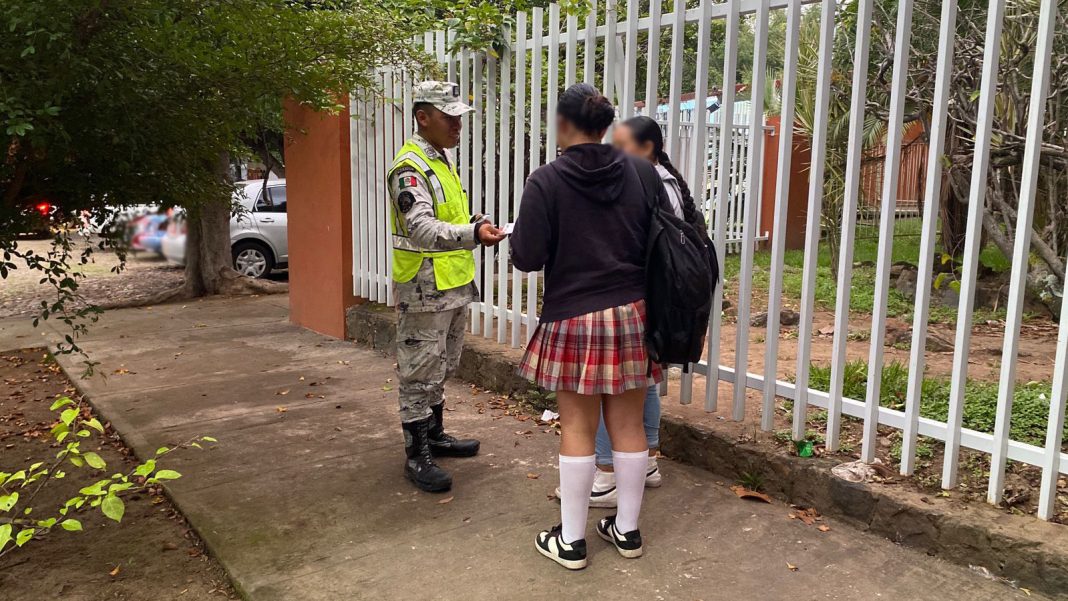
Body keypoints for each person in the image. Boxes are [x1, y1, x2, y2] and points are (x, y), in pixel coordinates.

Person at [510, 84, 674, 570]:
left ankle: (572, 541)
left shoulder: (546, 180)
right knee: (627, 424)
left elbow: (527, 256)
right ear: (606, 127)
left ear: (563, 125)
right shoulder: (643, 173)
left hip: (573, 316)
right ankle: (626, 532)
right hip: (631, 314)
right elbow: (656, 242)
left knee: (578, 426)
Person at [555, 115, 701, 507]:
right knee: (639, 382)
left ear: (647, 148)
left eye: (620, 146)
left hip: (647, 296)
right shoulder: (645, 178)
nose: (612, 153)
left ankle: (608, 471)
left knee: (613, 385)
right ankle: (645, 460)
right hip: (646, 294)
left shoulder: (651, 181)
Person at [386, 81, 506, 493]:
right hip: (423, 288)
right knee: (418, 370)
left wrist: (472, 221)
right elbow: (419, 226)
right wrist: (473, 233)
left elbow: (444, 215)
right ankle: (416, 454)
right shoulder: (409, 167)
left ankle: (435, 435)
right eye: (448, 117)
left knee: (443, 364)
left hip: (451, 283)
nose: (457, 124)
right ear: (423, 117)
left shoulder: (440, 160)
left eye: (459, 117)